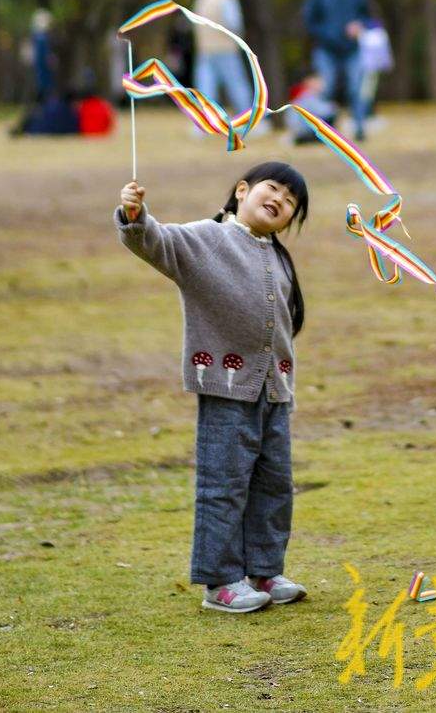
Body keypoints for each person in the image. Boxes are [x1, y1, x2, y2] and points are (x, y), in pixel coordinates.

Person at [116, 161, 310, 614]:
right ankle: (220, 580)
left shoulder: (277, 254)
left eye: (291, 202)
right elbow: (155, 242)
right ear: (242, 190)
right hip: (225, 385)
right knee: (224, 484)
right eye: (273, 188)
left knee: (274, 483)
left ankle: (265, 568)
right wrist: (133, 217)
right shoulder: (207, 238)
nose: (280, 200)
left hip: (274, 388)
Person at [302, 0, 371, 142]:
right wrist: (329, 34)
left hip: (353, 49)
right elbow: (309, 22)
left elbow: (369, 18)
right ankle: (324, 130)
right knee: (326, 88)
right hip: (326, 49)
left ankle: (359, 127)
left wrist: (361, 25)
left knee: (357, 87)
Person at [192, 0, 253, 115]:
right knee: (237, 85)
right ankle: (249, 119)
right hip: (226, 49)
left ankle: (204, 122)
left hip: (205, 50)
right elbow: (235, 23)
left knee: (205, 87)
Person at [283, 72, 338, 144]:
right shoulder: (309, 97)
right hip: (305, 130)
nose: (322, 84)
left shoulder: (302, 96)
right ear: (309, 83)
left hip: (299, 129)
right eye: (318, 82)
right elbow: (324, 112)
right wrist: (333, 107)